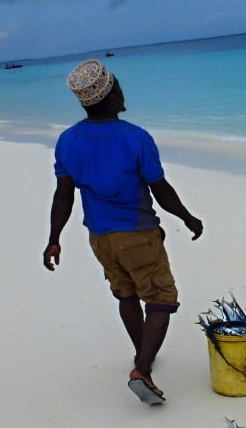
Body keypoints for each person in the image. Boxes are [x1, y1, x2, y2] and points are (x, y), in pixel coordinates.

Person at [44, 59, 204, 404]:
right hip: (138, 233)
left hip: (100, 238)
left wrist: (54, 239)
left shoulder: (68, 140)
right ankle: (142, 369)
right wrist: (188, 217)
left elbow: (63, 194)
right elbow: (159, 189)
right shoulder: (135, 138)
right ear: (113, 93)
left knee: (126, 294)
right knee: (161, 298)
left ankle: (141, 355)